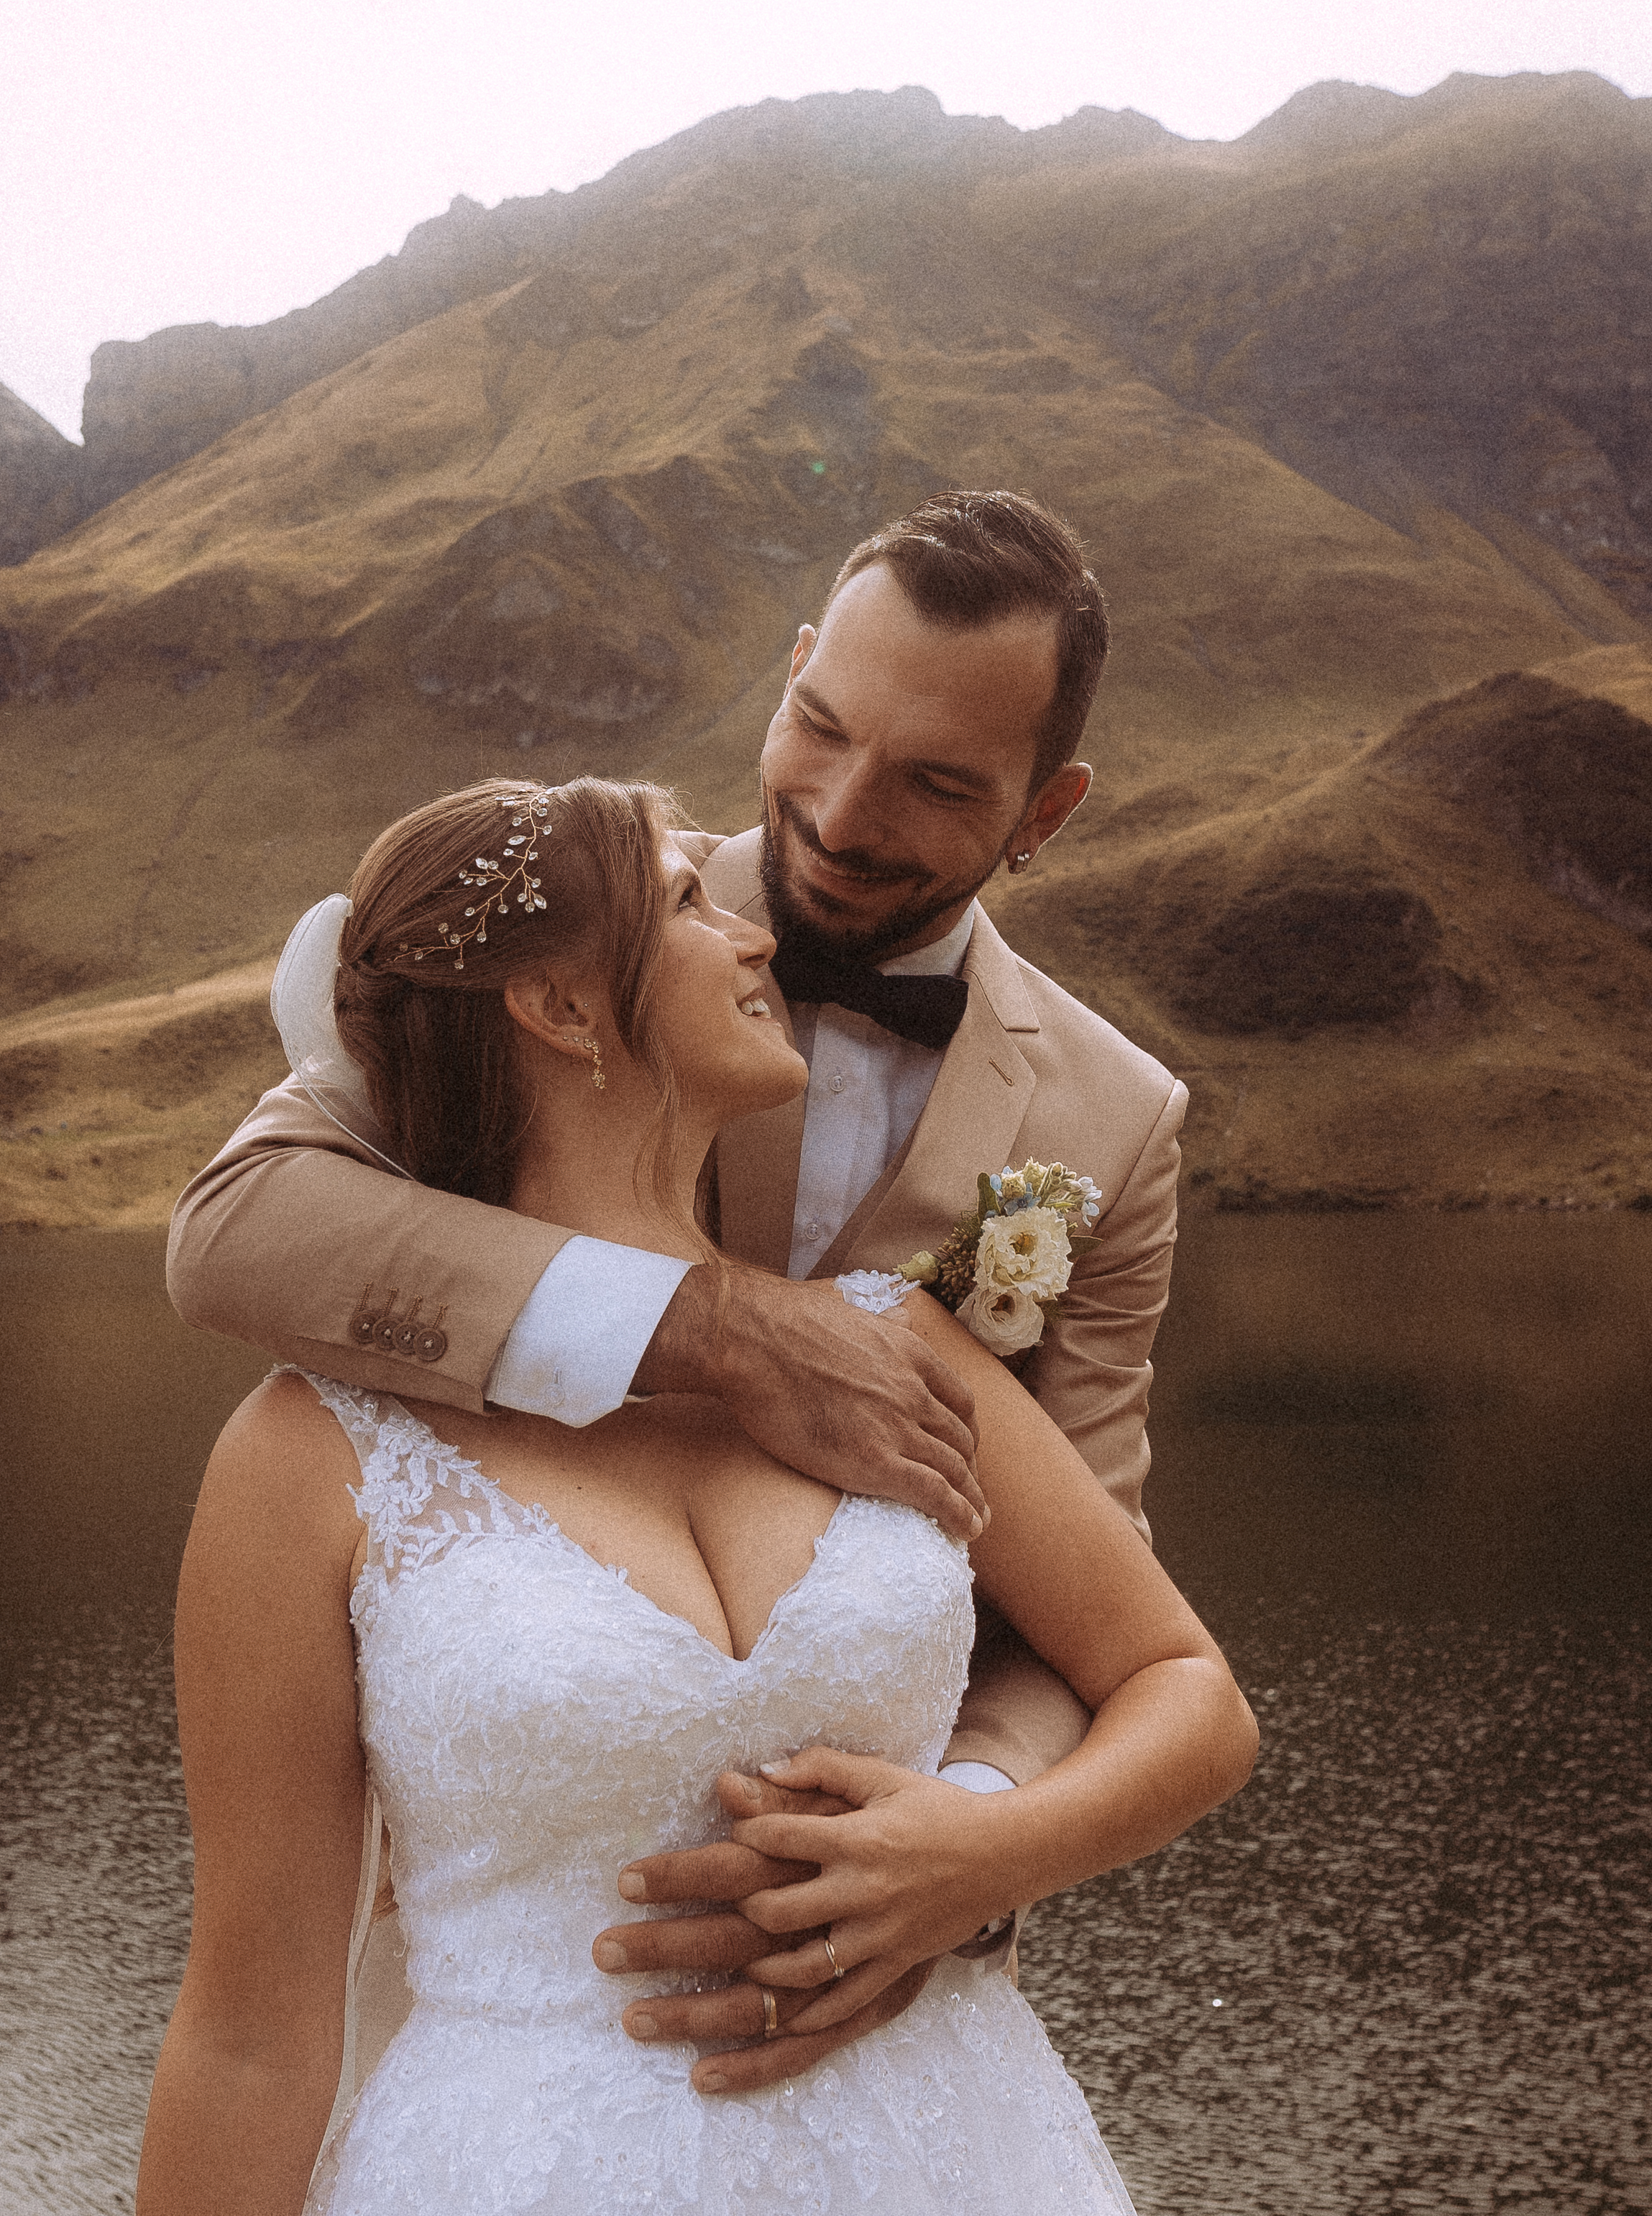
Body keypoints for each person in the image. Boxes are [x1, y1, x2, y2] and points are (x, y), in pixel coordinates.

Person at [166, 489, 1190, 2089]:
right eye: (820, 726)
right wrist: (708, 1325)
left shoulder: (1111, 1130)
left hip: (879, 2031)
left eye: (934, 783)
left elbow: (1094, 1585)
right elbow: (241, 1225)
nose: (843, 813)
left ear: (1042, 811)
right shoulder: (560, 928)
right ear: (789, 676)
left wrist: (964, 1857)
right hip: (519, 2005)